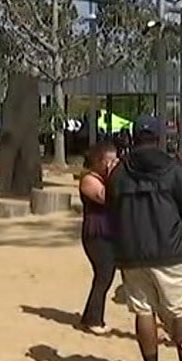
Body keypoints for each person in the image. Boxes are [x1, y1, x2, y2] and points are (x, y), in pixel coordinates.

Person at [106, 116, 182, 361]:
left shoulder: (119, 173)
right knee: (181, 311)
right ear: (160, 138)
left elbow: (113, 215)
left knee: (143, 311)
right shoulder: (175, 170)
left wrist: (119, 250)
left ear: (134, 138)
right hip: (173, 251)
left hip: (132, 254)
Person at [78, 141, 118, 334]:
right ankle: (93, 320)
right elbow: (105, 197)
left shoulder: (107, 179)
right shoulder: (89, 179)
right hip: (96, 233)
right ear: (98, 161)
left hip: (109, 232)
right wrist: (113, 177)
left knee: (105, 276)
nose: (112, 164)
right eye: (109, 161)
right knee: (103, 274)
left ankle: (90, 316)